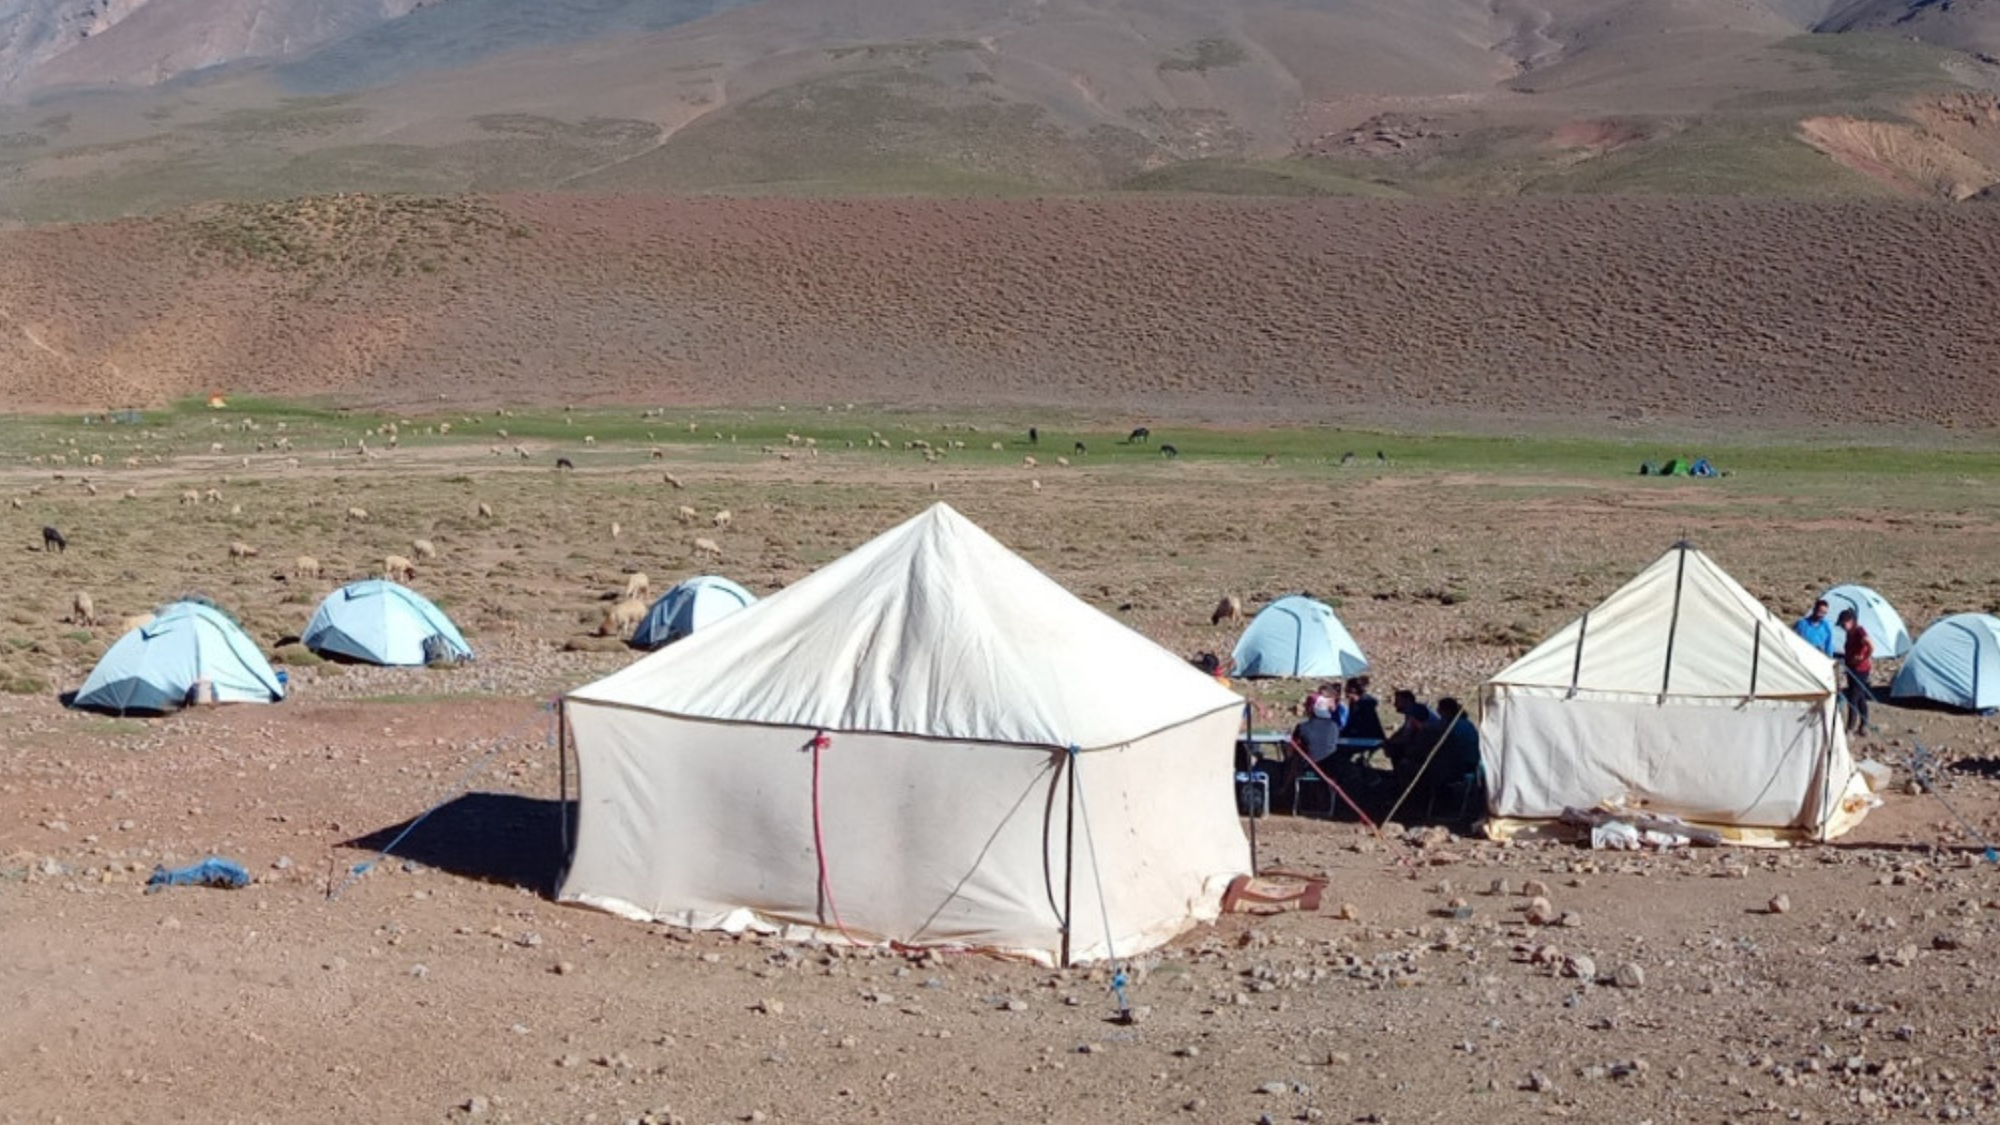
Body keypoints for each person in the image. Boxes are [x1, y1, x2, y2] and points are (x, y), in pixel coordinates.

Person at [1838, 608, 1873, 735]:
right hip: (1851, 668)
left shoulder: (1859, 631)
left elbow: (1870, 645)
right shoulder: (1850, 633)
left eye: (1844, 624)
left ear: (1851, 621)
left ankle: (1850, 728)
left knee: (1853, 697)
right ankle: (1864, 724)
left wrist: (1863, 657)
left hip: (1861, 669)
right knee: (1860, 697)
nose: (1842, 626)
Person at [1342, 677, 1386, 743]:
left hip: (1369, 739)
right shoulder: (1353, 703)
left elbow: (1369, 725)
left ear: (1353, 690)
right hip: (1356, 737)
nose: (1345, 691)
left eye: (1347, 689)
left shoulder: (1366, 703)